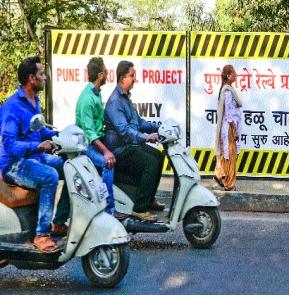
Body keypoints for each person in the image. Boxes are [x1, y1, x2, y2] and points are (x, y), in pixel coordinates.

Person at [0, 56, 70, 253]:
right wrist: (38, 146)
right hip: (14, 164)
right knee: (50, 176)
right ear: (31, 78)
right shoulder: (13, 106)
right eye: (41, 74)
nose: (44, 78)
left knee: (68, 167)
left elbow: (40, 131)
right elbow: (10, 144)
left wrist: (61, 135)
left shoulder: (34, 100)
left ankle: (58, 221)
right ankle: (42, 234)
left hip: (32, 157)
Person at [104, 60, 165, 222]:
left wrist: (158, 128)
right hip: (120, 151)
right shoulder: (115, 102)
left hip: (130, 146)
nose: (134, 79)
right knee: (150, 163)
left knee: (159, 156)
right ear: (122, 78)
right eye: (132, 76)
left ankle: (149, 198)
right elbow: (124, 131)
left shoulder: (126, 99)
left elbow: (139, 122)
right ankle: (139, 209)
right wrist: (146, 137)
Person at [75, 57, 116, 216]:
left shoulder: (96, 94)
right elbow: (90, 133)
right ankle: (109, 208)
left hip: (96, 140)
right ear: (100, 75)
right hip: (86, 146)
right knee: (108, 163)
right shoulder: (87, 98)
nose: (107, 74)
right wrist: (106, 152)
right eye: (105, 71)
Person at [214, 64, 242, 191]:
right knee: (231, 156)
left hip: (228, 127)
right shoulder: (228, 92)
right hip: (230, 128)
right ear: (228, 75)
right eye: (234, 73)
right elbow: (229, 113)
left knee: (227, 154)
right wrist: (235, 130)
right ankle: (229, 184)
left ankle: (219, 174)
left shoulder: (226, 90)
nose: (236, 75)